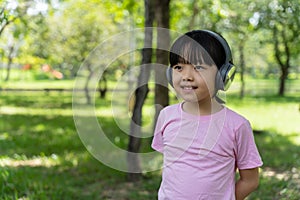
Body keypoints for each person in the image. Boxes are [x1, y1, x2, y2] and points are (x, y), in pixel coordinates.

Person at [151, 30, 263, 200]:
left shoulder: (237, 125)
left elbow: (251, 180)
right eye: (179, 67)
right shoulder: (166, 116)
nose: (186, 76)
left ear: (222, 75)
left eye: (198, 67)